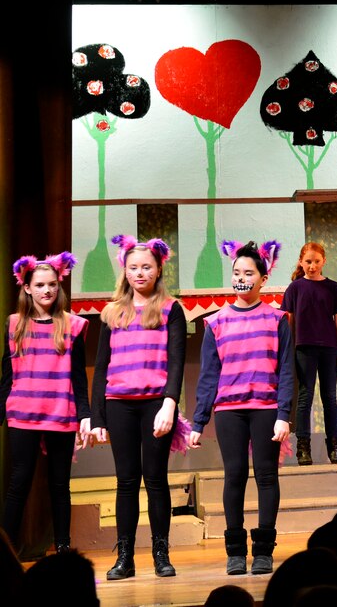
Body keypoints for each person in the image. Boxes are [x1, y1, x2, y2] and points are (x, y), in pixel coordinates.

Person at [189, 241, 293, 575]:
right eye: (236, 273)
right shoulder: (216, 322)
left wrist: (283, 415)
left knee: (266, 476)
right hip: (229, 410)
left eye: (249, 272)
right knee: (234, 475)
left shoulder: (278, 320)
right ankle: (235, 552)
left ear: (263, 278)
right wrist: (197, 421)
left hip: (266, 407)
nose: (241, 278)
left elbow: (288, 370)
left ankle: (264, 551)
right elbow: (208, 376)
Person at [90, 236, 185, 579]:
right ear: (124, 270)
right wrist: (97, 415)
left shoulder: (171, 309)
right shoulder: (112, 312)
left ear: (159, 268)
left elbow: (176, 361)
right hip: (120, 405)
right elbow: (101, 367)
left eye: (146, 266)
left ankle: (161, 553)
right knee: (126, 481)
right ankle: (125, 556)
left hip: (156, 404)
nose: (140, 272)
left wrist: (169, 405)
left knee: (155, 478)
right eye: (133, 267)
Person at [1, 253, 89, 554]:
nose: (46, 291)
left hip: (60, 413)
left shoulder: (72, 325)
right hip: (22, 414)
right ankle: (7, 549)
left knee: (59, 484)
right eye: (39, 285)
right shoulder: (14, 324)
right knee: (19, 481)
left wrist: (85, 415)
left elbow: (78, 376)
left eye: (52, 284)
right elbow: (7, 372)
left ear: (59, 286)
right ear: (27, 288)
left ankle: (63, 548)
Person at [283, 242, 337, 466]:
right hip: (304, 348)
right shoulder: (295, 288)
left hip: (329, 348)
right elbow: (288, 321)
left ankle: (334, 447)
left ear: (324, 262)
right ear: (301, 262)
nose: (312, 266)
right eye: (308, 261)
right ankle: (303, 448)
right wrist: (286, 350)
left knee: (330, 397)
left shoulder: (332, 287)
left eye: (316, 261)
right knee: (305, 396)